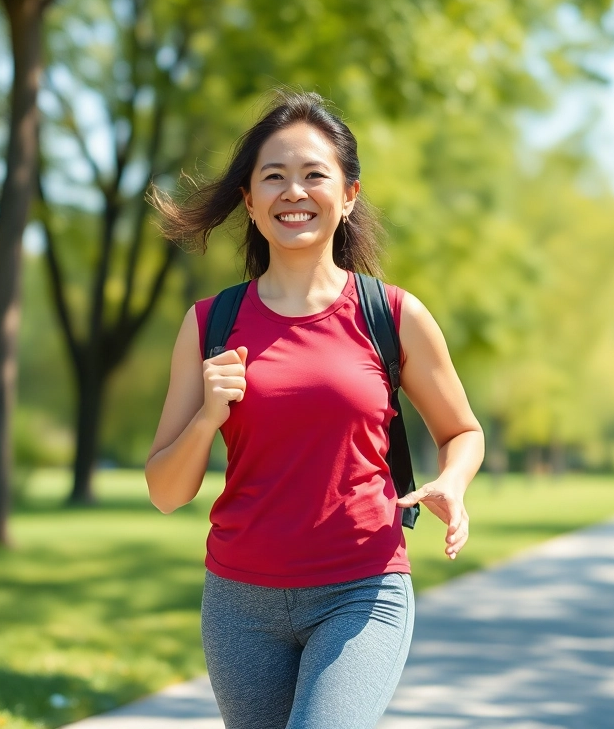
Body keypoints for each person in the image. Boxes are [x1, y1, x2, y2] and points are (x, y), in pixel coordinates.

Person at [144, 91, 485, 729]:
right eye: (273, 176)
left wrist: (453, 483)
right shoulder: (209, 324)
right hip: (240, 603)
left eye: (313, 175)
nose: (292, 191)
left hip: (361, 590)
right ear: (249, 200)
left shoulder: (393, 315)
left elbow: (462, 430)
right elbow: (166, 491)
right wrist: (205, 420)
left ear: (349, 194)